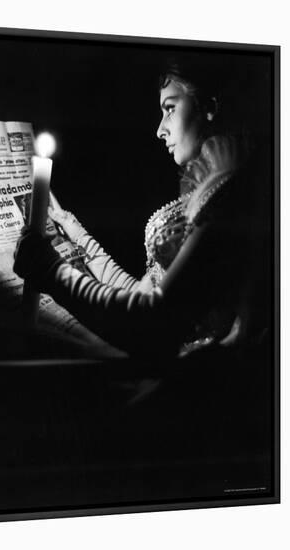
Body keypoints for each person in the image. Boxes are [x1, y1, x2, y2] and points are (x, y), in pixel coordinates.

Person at [14, 57, 268, 366]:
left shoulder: (230, 195)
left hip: (199, 387)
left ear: (209, 106)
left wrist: (50, 271)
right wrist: (74, 230)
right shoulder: (211, 187)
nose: (160, 129)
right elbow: (143, 291)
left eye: (170, 108)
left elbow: (153, 322)